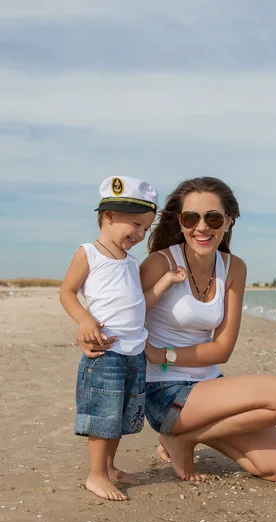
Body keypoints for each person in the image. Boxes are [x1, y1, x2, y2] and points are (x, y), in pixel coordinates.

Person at [78, 176, 276, 483]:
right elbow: (115, 311)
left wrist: (162, 353)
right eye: (190, 218)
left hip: (207, 386)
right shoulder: (160, 264)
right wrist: (87, 333)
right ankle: (178, 433)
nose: (202, 227)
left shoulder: (234, 268)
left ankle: (185, 438)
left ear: (229, 221)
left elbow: (222, 349)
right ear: (180, 222)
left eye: (213, 218)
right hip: (163, 391)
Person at [60, 175, 165, 501]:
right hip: (106, 351)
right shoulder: (89, 253)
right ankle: (96, 475)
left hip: (133, 352)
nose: (139, 234)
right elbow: (67, 292)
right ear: (108, 216)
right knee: (103, 415)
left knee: (121, 414)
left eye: (145, 229)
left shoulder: (132, 264)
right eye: (135, 224)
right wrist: (85, 319)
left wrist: (167, 283)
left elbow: (139, 303)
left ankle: (110, 466)